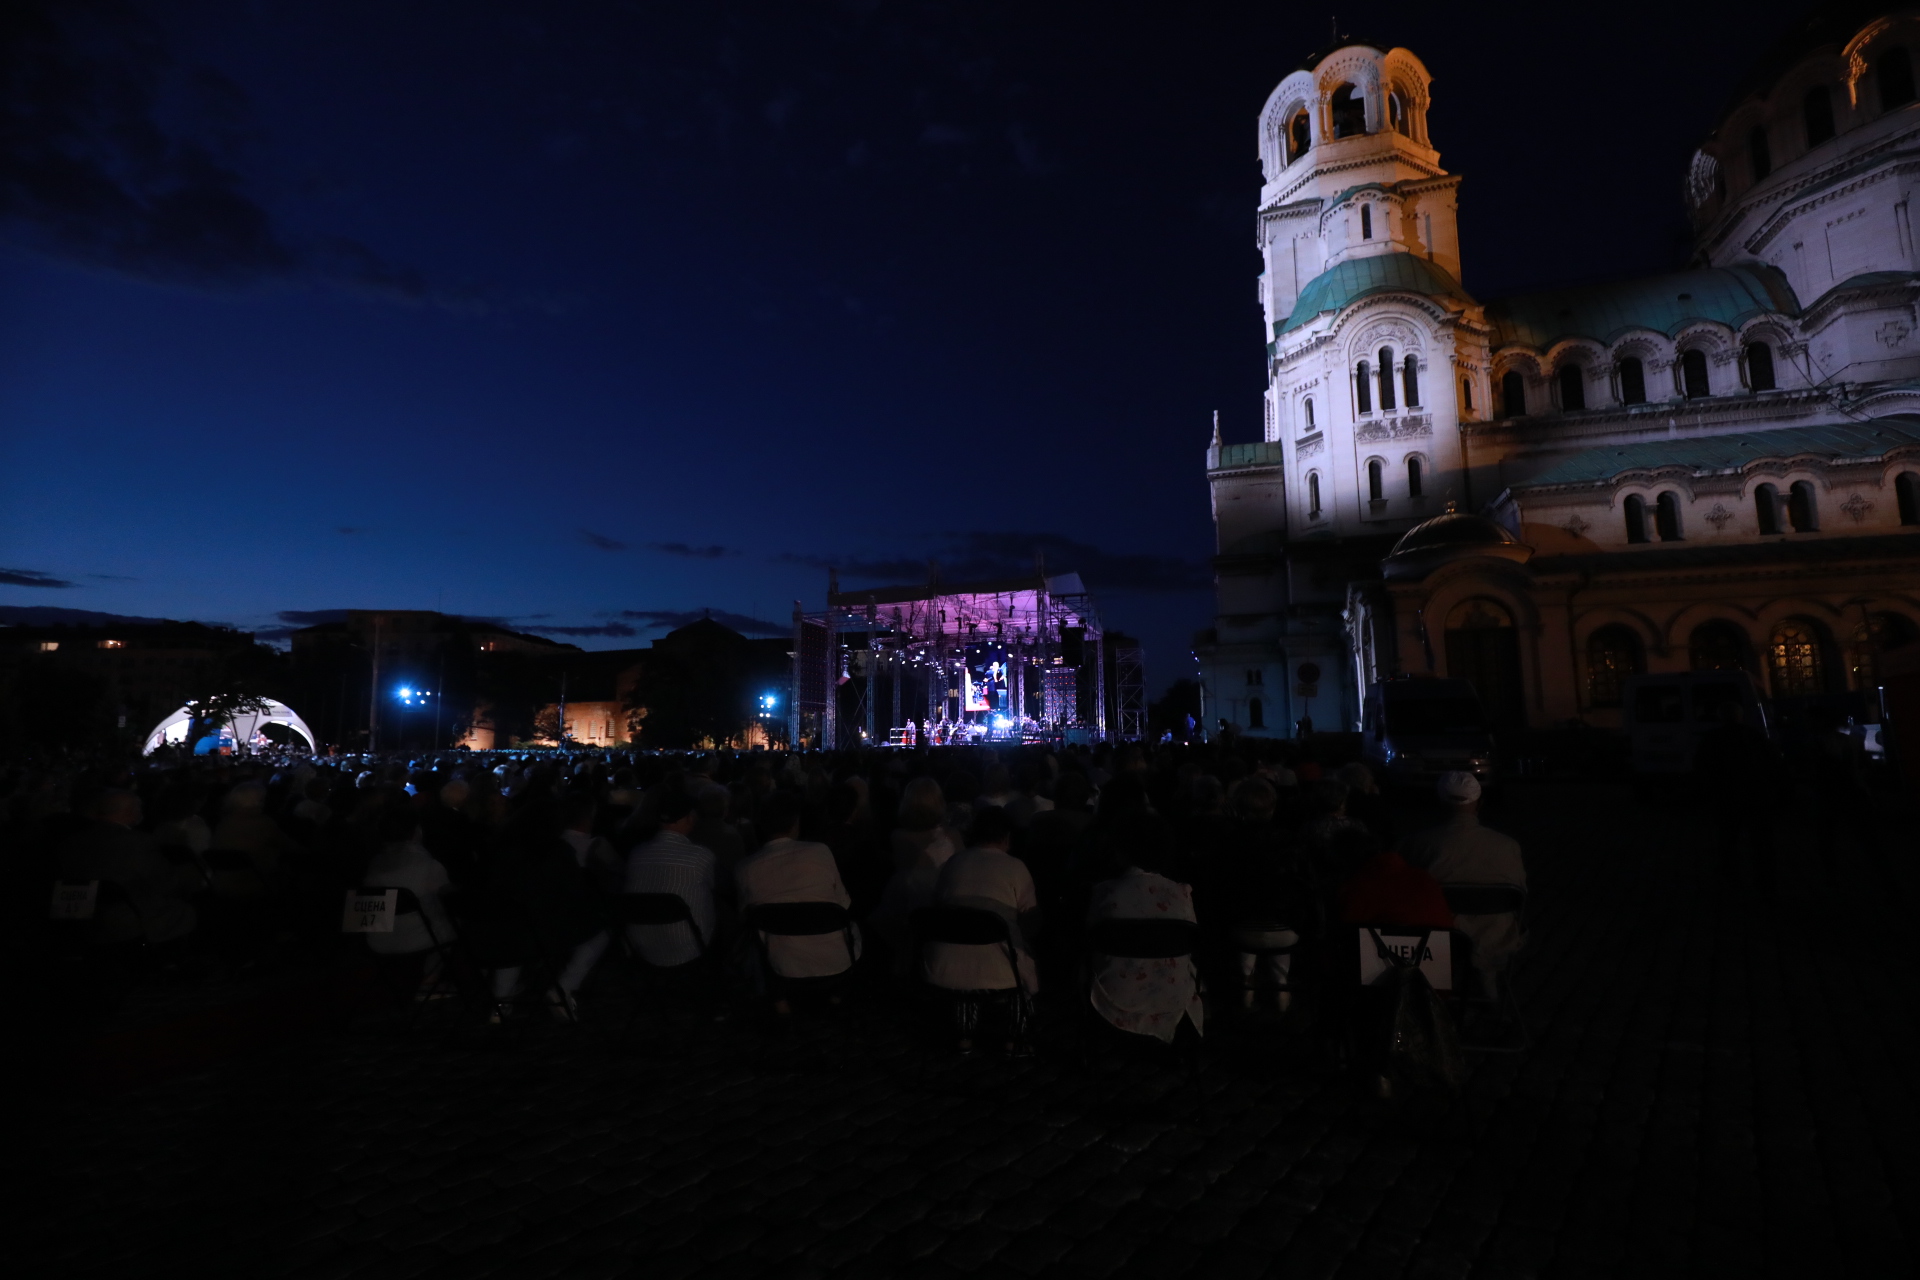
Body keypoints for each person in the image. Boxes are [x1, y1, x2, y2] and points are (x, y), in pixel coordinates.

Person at [924, 806, 1042, 1050]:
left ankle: (964, 1035)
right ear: (1006, 837)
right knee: (1020, 967)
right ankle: (1015, 1038)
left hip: (946, 965)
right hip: (998, 968)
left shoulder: (954, 863)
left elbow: (937, 907)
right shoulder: (1015, 867)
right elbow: (1031, 922)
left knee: (966, 954)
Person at [1400, 772, 1525, 997]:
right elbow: (1520, 896)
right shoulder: (1508, 846)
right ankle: (1488, 989)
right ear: (1479, 803)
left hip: (1436, 939)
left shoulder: (1417, 844)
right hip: (1495, 936)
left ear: (1440, 801)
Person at [1085, 816, 1205, 1044]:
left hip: (1114, 992)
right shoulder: (1181, 894)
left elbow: (1090, 936)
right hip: (1173, 994)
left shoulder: (1104, 893)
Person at [735, 792, 860, 1003]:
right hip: (834, 956)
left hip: (779, 962)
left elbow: (745, 918)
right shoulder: (820, 852)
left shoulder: (745, 868)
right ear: (795, 823)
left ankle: (779, 1002)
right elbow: (843, 904)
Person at [56, 789, 199, 946]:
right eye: (139, 808)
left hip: (78, 922)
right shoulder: (138, 842)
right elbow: (166, 884)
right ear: (130, 811)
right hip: (129, 922)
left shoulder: (71, 841)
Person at [361, 803, 459, 996]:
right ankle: (429, 981)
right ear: (416, 832)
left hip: (375, 938)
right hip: (420, 938)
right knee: (453, 922)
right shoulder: (427, 864)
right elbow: (449, 897)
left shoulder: (373, 864)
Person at [624, 774, 717, 968]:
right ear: (689, 818)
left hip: (642, 944)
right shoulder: (700, 857)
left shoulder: (637, 853)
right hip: (689, 946)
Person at [1693, 702, 1783, 899]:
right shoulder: (1755, 736)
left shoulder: (1712, 739)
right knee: (1761, 841)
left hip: (1728, 797)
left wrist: (1706, 795)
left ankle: (1731, 878)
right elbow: (1774, 765)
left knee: (1728, 839)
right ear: (1740, 716)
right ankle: (1765, 879)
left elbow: (1702, 770)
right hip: (1756, 796)